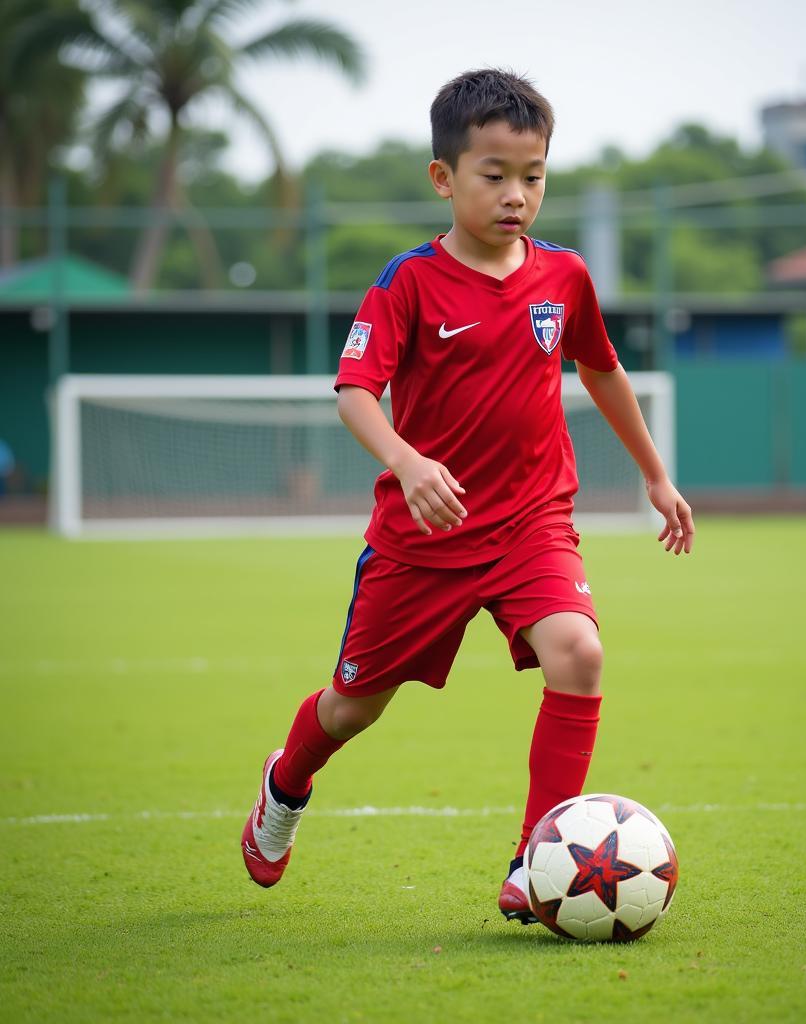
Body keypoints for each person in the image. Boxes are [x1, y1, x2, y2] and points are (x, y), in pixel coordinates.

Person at [241, 68, 695, 924]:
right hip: (424, 536)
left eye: (534, 176)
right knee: (351, 707)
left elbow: (600, 367)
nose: (517, 195)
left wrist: (656, 473)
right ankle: (285, 784)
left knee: (581, 656)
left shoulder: (563, 277)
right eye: (495, 175)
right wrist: (409, 464)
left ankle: (535, 863)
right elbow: (353, 392)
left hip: (532, 521)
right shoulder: (408, 281)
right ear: (444, 178)